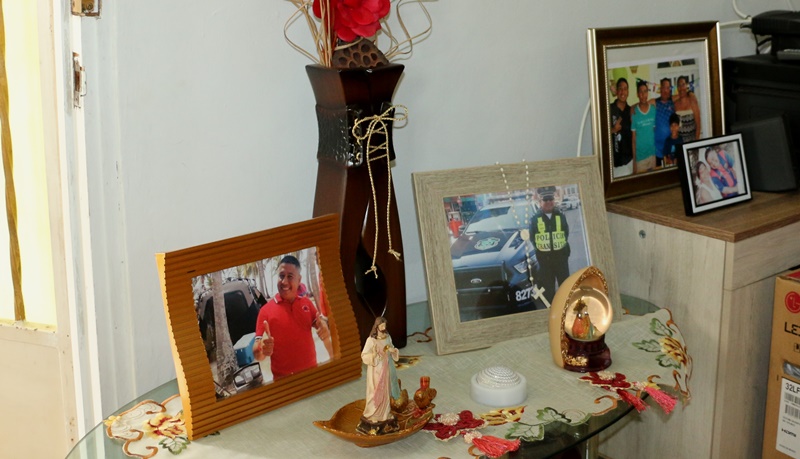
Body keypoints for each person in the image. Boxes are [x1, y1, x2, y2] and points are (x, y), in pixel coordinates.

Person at [252, 255, 332, 379]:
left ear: (299, 280)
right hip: (284, 383)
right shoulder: (265, 311)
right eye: (281, 276)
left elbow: (321, 328)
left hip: (312, 376)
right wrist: (262, 348)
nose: (284, 282)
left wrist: (325, 329)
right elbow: (257, 354)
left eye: (290, 276)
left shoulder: (307, 303)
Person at [357, 316, 400, 436]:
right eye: (381, 325)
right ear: (376, 327)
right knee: (375, 391)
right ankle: (373, 414)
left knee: (386, 390)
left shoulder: (387, 337)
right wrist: (374, 355)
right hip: (376, 369)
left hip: (386, 367)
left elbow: (391, 347)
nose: (384, 327)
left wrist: (392, 351)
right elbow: (364, 355)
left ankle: (385, 414)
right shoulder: (371, 340)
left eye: (385, 325)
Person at [530, 186, 570, 304]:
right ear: (540, 202)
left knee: (565, 287)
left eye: (550, 199)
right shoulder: (535, 219)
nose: (548, 202)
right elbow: (533, 238)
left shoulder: (560, 215)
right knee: (548, 289)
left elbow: (566, 233)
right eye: (545, 200)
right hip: (545, 261)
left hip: (561, 258)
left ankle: (564, 308)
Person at [609, 77, 633, 178]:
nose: (623, 92)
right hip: (614, 164)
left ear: (628, 92)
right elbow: (600, 134)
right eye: (620, 88)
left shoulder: (631, 111)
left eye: (625, 89)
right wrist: (613, 130)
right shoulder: (609, 109)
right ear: (617, 91)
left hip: (629, 162)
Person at [631, 80, 656, 173]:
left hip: (652, 155)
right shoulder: (634, 113)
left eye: (645, 91)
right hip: (640, 158)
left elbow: (654, 131)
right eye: (641, 92)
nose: (643, 94)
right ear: (637, 94)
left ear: (647, 93)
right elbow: (633, 139)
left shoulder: (653, 110)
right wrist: (634, 161)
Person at [653, 78, 676, 167]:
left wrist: (690, 93)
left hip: (670, 148)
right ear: (661, 89)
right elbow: (642, 104)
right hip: (657, 150)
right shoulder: (655, 102)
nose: (666, 90)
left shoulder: (672, 102)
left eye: (668, 88)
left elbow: (683, 95)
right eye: (664, 87)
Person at [674, 75, 702, 143]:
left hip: (692, 142)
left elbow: (698, 125)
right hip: (679, 143)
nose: (681, 88)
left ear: (686, 86)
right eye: (679, 85)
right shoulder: (675, 104)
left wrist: (696, 142)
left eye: (683, 85)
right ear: (677, 88)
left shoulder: (692, 101)